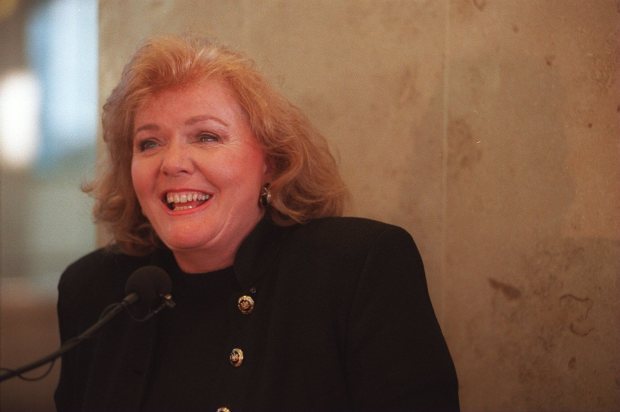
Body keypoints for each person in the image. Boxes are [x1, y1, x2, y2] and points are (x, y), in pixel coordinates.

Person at [55, 35, 459, 412]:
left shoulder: (358, 268)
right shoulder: (91, 289)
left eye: (207, 137)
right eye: (149, 143)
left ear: (271, 161)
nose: (173, 163)